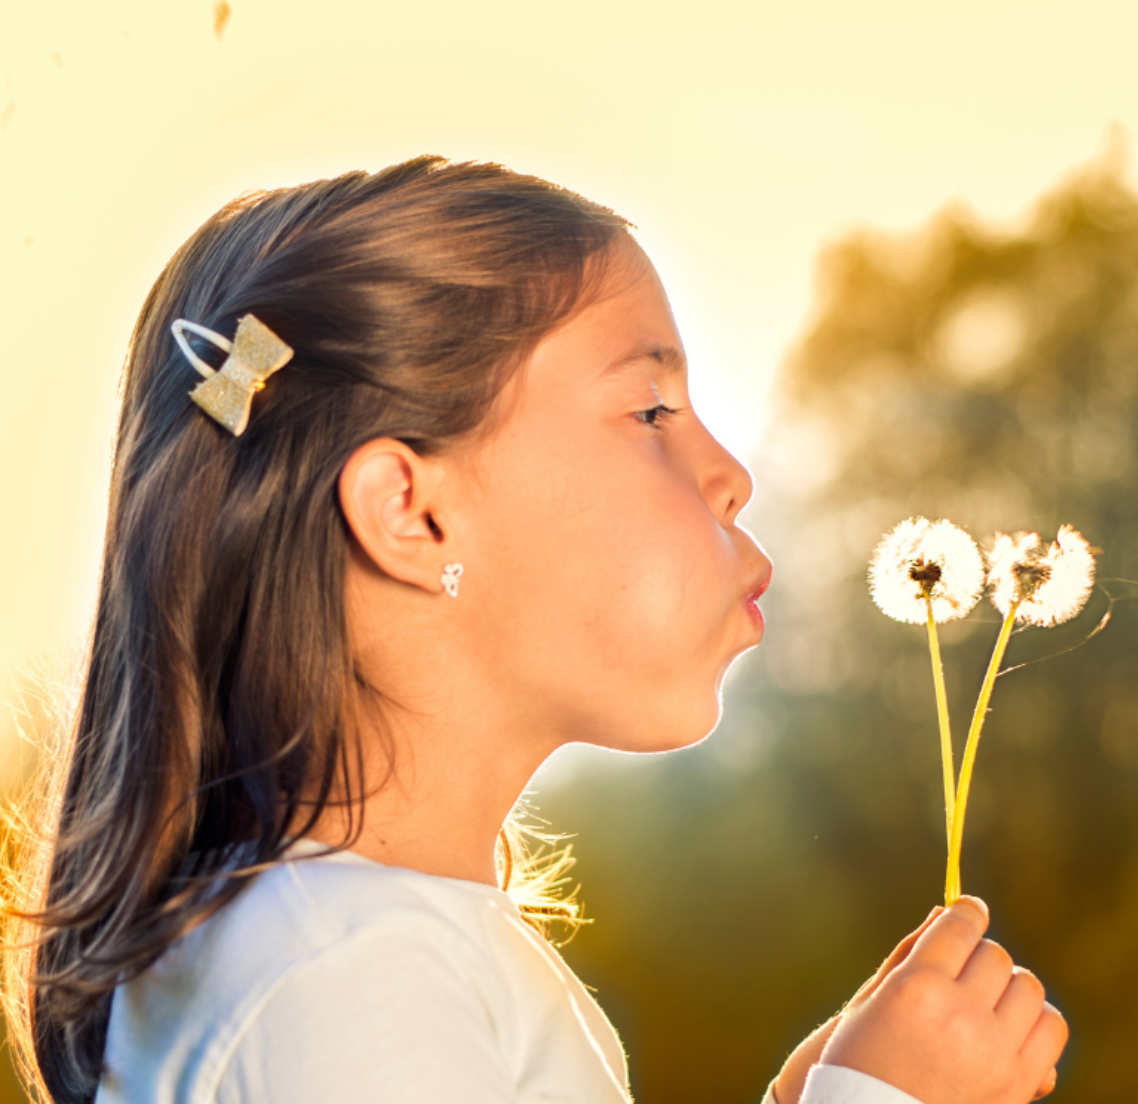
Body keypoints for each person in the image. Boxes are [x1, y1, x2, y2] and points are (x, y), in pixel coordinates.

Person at [0, 156, 1069, 1104]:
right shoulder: (346, 974)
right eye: (651, 410)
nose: (732, 477)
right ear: (413, 516)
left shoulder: (360, 948)